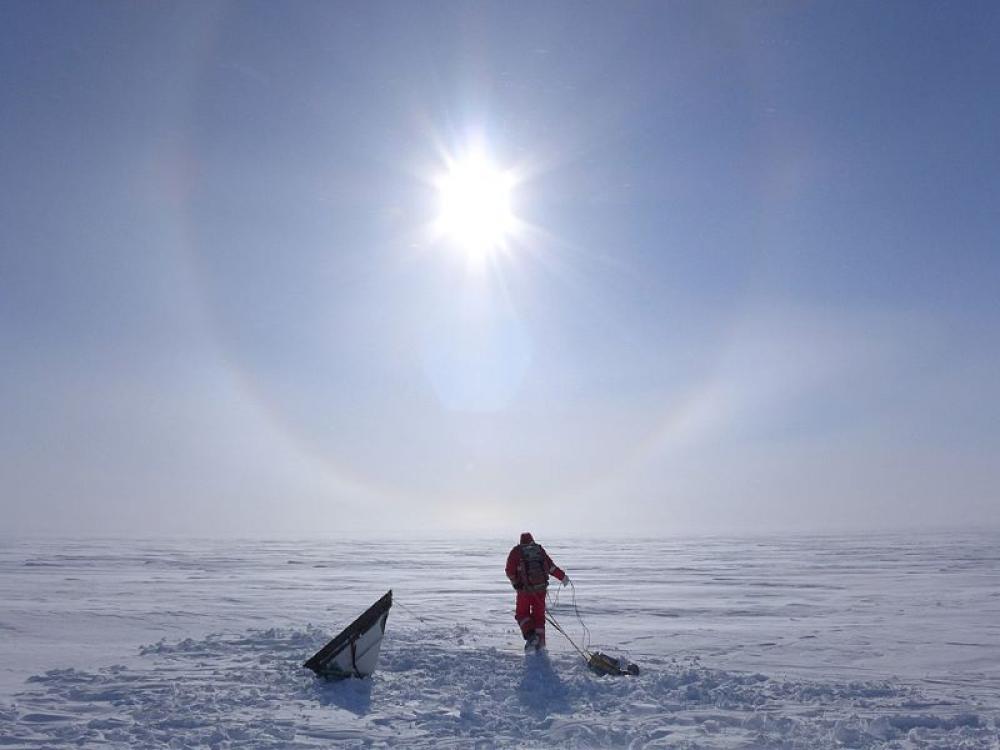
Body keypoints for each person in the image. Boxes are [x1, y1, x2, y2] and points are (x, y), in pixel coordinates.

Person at [505, 531, 569, 650]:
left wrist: (516, 583)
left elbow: (509, 570)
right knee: (539, 616)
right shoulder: (539, 550)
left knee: (522, 614)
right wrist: (563, 577)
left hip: (524, 590)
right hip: (541, 589)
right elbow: (551, 567)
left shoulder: (516, 551)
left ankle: (531, 636)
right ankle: (541, 644)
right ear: (532, 540)